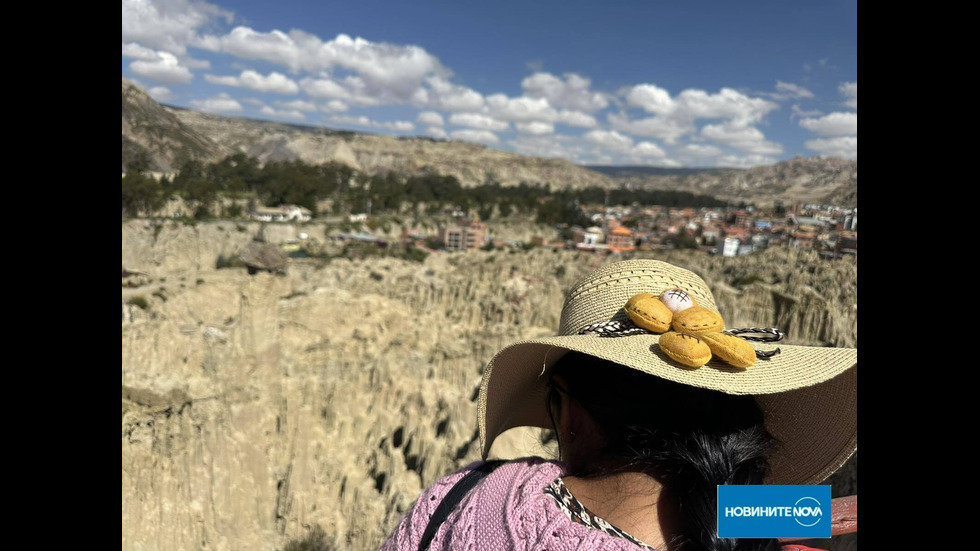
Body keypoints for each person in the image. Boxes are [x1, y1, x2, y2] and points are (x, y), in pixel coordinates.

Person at [378, 259, 857, 551]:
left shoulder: (466, 496)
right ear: (725, 408)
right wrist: (813, 512)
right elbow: (700, 503)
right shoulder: (730, 521)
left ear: (567, 410)